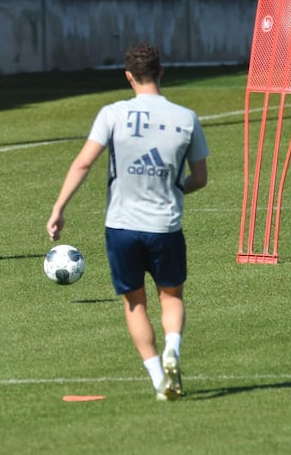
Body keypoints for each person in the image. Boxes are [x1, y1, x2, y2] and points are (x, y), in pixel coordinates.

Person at [46, 43, 209, 401]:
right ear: (161, 72)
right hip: (165, 226)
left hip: (121, 228)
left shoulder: (113, 114)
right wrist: (174, 188)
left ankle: (157, 379)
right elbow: (200, 178)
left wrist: (59, 207)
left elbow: (83, 163)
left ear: (128, 77)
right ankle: (173, 351)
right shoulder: (186, 118)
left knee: (135, 304)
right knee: (171, 296)